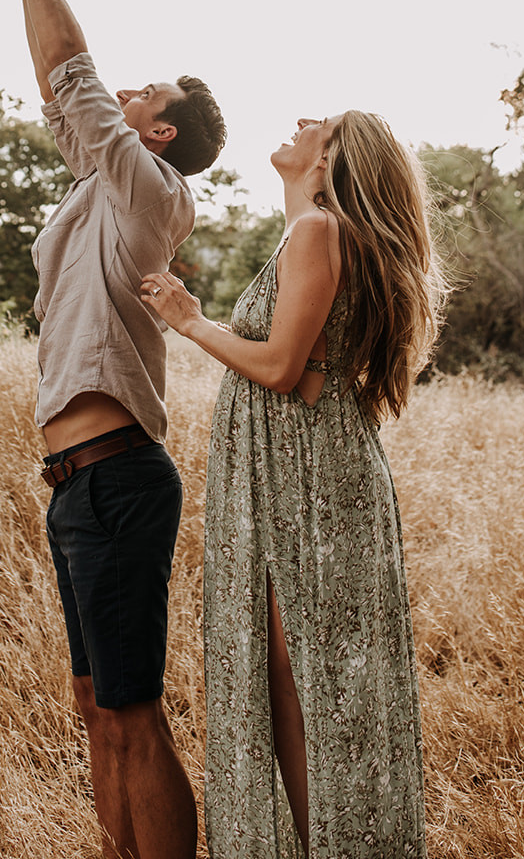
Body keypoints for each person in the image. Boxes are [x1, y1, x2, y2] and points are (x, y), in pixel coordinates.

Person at [0, 0, 227, 859]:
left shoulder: (155, 196)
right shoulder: (97, 189)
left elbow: (75, 77)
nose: (125, 91)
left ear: (158, 131)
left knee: (136, 716)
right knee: (93, 706)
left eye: (147, 93)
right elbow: (63, 89)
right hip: (70, 485)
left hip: (124, 481)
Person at [141, 111, 448, 857]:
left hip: (305, 474)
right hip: (303, 464)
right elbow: (301, 360)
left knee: (300, 682)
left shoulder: (318, 232)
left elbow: (280, 367)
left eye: (323, 122)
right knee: (310, 681)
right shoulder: (312, 232)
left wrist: (190, 320)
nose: (302, 119)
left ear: (334, 158)